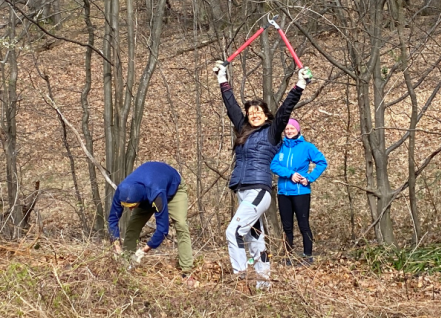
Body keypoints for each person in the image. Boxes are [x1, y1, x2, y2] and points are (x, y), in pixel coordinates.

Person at [213, 60, 312, 289]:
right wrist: (222, 78)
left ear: (266, 116)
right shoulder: (243, 130)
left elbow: (286, 108)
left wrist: (300, 84)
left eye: (259, 112)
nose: (254, 115)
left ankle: (240, 279)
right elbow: (231, 107)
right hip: (241, 189)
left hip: (259, 189)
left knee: (234, 231)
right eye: (251, 112)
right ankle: (264, 284)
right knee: (254, 238)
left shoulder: (272, 132)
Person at [108, 161, 196, 285]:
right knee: (133, 226)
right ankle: (126, 263)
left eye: (133, 206)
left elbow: (162, 229)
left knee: (181, 224)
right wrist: (116, 245)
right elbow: (112, 219)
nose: (130, 209)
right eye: (127, 206)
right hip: (146, 195)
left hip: (174, 190)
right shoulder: (122, 191)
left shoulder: (156, 193)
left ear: (138, 199)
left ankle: (187, 272)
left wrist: (143, 251)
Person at [271, 118, 327, 264]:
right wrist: (290, 174)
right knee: (287, 226)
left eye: (292, 129)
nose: (289, 131)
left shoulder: (307, 147)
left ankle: (307, 256)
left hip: (301, 192)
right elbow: (273, 165)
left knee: (303, 224)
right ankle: (288, 256)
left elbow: (322, 162)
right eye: (287, 129)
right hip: (283, 192)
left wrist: (309, 178)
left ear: (298, 130)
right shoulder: (280, 147)